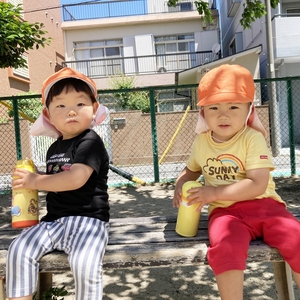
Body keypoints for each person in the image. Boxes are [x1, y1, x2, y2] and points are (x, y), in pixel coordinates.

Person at [173, 64, 300, 299]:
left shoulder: (252, 138)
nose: (223, 114)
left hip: (265, 206)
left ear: (248, 110)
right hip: (225, 213)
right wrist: (180, 184)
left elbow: (257, 185)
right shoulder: (201, 142)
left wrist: (213, 193)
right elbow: (190, 170)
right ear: (203, 113)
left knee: (297, 239)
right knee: (224, 248)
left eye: (233, 106)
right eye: (213, 107)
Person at [7, 67, 110, 300]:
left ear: (94, 109)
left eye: (79, 104)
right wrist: (36, 176)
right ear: (49, 115)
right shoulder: (55, 146)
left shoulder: (90, 141)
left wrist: (36, 180)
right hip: (54, 220)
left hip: (88, 221)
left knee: (84, 263)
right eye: (61, 106)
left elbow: (75, 178)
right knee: (19, 249)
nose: (71, 111)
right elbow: (58, 175)